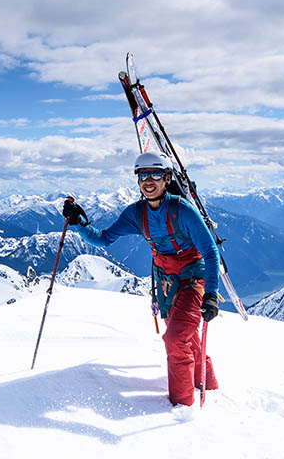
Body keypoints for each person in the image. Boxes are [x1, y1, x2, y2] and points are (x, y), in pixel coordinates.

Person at [62, 152, 220, 406]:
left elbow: (211, 252)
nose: (148, 180)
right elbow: (103, 239)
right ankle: (208, 387)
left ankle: (182, 406)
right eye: (142, 175)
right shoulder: (137, 213)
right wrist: (79, 223)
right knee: (188, 338)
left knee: (177, 339)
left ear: (167, 179)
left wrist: (211, 294)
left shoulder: (183, 212)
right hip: (165, 284)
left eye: (155, 174)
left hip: (192, 281)